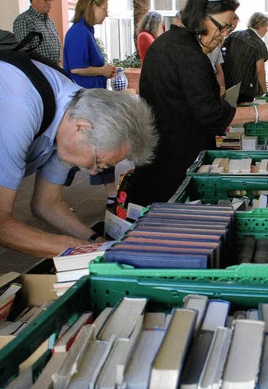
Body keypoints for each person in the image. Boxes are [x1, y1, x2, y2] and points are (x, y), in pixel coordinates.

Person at [127, 0, 268, 206]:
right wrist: (259, 112)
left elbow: (180, 97)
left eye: (227, 30)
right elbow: (209, 114)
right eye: (221, 28)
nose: (222, 36)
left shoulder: (165, 43)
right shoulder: (190, 55)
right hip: (179, 156)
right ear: (201, 18)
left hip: (158, 149)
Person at [0, 48, 157, 258]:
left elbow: (47, 204)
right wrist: (79, 250)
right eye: (98, 162)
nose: (93, 172)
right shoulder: (21, 109)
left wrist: (96, 241)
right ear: (81, 128)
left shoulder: (71, 118)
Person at [63, 0, 119, 206]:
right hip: (86, 101)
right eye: (105, 9)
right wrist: (102, 71)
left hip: (91, 100)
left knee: (93, 147)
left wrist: (103, 70)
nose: (106, 14)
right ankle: (51, 194)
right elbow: (76, 69)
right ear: (92, 6)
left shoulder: (85, 31)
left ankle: (111, 194)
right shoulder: (78, 32)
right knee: (89, 147)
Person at [223, 11, 268, 103]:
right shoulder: (259, 44)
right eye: (266, 26)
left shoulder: (235, 35)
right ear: (261, 25)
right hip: (246, 88)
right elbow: (260, 71)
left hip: (227, 83)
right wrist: (265, 92)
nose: (267, 29)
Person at [13, 0, 61, 64]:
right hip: (37, 71)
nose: (49, 3)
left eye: (51, 0)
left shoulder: (50, 22)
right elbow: (23, 52)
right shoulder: (24, 20)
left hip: (53, 69)